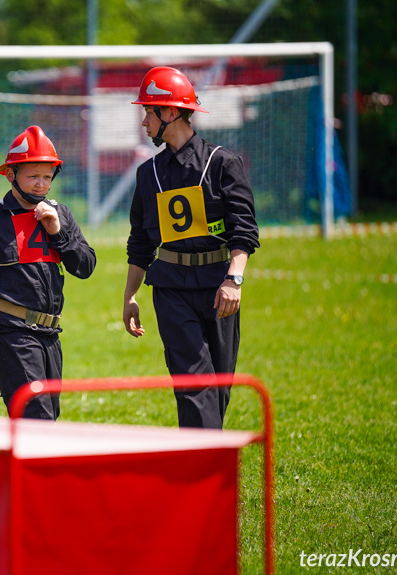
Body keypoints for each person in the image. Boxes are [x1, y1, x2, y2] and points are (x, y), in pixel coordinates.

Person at [123, 66, 260, 429]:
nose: (143, 123)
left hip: (219, 287)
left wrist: (234, 280)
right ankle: (204, 471)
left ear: (169, 113)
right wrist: (130, 296)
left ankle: (203, 459)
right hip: (170, 288)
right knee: (192, 383)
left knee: (219, 385)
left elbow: (244, 232)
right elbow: (140, 243)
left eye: (147, 113)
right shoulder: (147, 174)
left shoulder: (223, 164)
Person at [0, 126, 96, 420]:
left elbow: (85, 267)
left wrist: (58, 232)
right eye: (33, 176)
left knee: (48, 416)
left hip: (50, 333)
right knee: (36, 416)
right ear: (10, 174)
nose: (41, 185)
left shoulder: (61, 214)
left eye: (47, 177)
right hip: (7, 329)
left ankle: (20, 467)